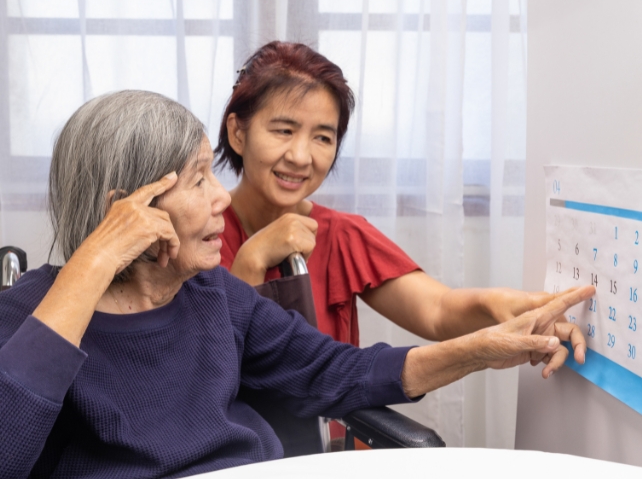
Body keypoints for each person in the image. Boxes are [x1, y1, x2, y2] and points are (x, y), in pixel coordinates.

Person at [0, 90, 592, 479]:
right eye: (198, 179)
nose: (217, 198)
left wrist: (483, 349)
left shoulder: (216, 299)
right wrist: (92, 264)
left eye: (213, 174)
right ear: (125, 213)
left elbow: (344, 373)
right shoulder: (25, 316)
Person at [216, 41, 565, 347]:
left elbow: (437, 311)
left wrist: (505, 306)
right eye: (283, 130)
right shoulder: (198, 235)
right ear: (238, 133)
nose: (301, 156)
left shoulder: (341, 235)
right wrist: (252, 258)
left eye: (323, 137)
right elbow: (205, 365)